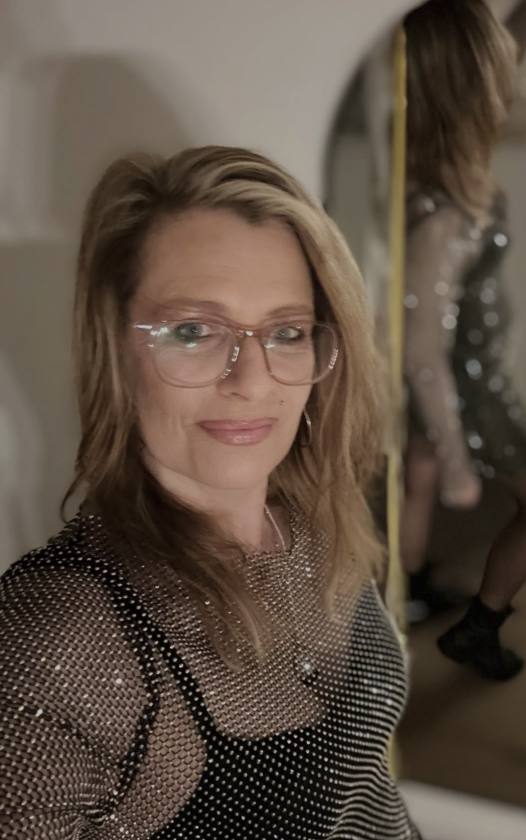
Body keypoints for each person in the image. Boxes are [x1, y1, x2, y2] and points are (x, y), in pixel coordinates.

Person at [0, 146, 422, 839]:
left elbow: (368, 791)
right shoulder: (54, 641)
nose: (251, 380)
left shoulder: (315, 521)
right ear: (114, 349)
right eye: (193, 331)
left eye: (286, 332)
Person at [401, 0, 526, 680]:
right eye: (498, 74)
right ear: (470, 87)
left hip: (466, 370)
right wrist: (459, 462)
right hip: (468, 381)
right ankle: (481, 625)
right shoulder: (447, 207)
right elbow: (423, 349)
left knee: (415, 474)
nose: (510, 85)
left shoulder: (447, 157)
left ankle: (410, 592)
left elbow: (512, 39)